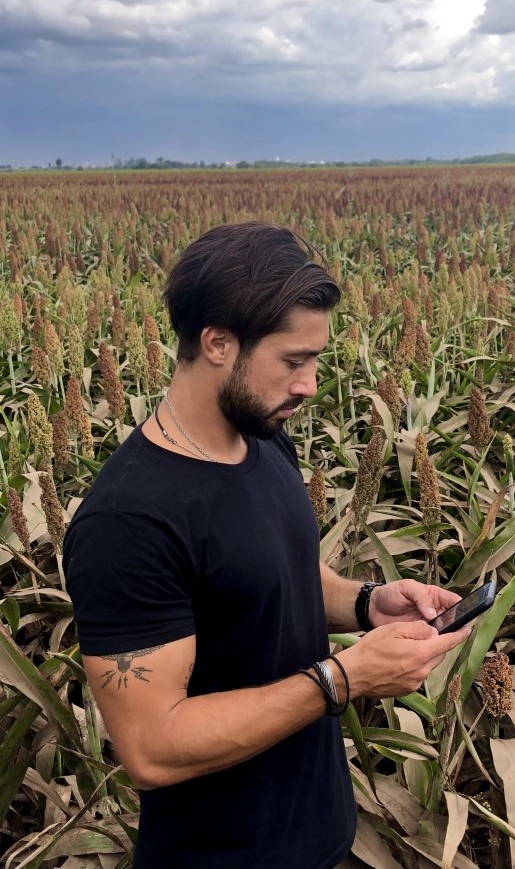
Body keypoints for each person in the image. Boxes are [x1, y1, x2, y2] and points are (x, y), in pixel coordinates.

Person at [64, 222, 469, 869]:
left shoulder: (258, 436)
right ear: (218, 343)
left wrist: (369, 604)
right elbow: (151, 746)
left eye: (314, 361)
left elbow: (280, 574)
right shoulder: (130, 522)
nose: (309, 385)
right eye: (294, 361)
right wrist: (345, 677)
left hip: (316, 830)